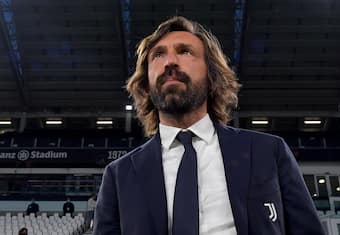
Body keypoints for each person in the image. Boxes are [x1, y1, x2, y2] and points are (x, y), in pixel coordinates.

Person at [94, 16, 325, 235]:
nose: (170, 61)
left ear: (212, 75)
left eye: (185, 51)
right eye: (158, 55)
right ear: (145, 83)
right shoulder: (119, 175)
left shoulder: (269, 152)